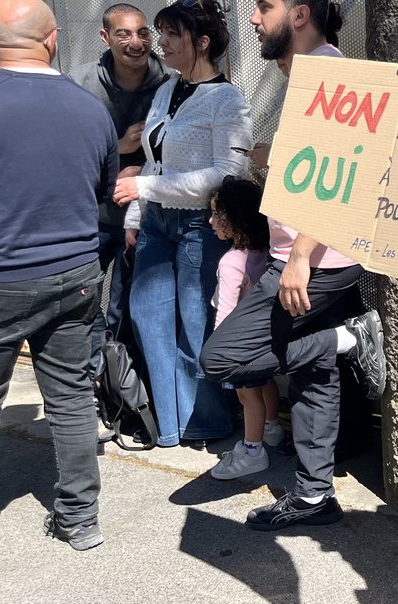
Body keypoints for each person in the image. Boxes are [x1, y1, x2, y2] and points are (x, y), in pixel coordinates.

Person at [200, 0, 385, 531]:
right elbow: (317, 167)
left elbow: (347, 170)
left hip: (313, 263)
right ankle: (312, 496)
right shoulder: (306, 75)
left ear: (300, 13)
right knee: (313, 377)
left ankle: (347, 339)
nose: (254, 18)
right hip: (308, 257)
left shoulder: (330, 74)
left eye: (265, 7)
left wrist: (300, 256)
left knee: (222, 359)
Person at [0, 0, 119, 551]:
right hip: (76, 274)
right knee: (69, 398)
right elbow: (103, 188)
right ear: (54, 40)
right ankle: (80, 519)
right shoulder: (90, 109)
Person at [112, 0, 252, 449]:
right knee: (148, 319)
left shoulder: (228, 99)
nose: (162, 43)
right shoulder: (165, 91)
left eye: (172, 34)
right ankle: (169, 425)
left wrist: (143, 193)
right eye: (161, 33)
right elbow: (152, 163)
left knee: (196, 325)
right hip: (155, 224)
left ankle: (205, 421)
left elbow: (224, 177)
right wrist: (137, 216)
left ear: (202, 42)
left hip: (199, 225)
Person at [69, 3, 168, 393]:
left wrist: (139, 169)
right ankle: (90, 383)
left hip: (145, 219)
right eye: (124, 33)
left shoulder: (169, 83)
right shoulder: (79, 84)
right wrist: (119, 148)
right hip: (89, 216)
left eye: (142, 33)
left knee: (129, 308)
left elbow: (178, 152)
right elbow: (64, 151)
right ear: (105, 37)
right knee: (84, 304)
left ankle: (124, 388)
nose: (135, 42)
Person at [205, 177, 287, 479]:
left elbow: (225, 313)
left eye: (217, 214)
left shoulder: (231, 262)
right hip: (263, 336)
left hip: (238, 343)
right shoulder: (269, 252)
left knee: (246, 395)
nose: (211, 220)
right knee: (265, 384)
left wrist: (219, 350)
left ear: (235, 218)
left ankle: (253, 449)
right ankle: (272, 428)